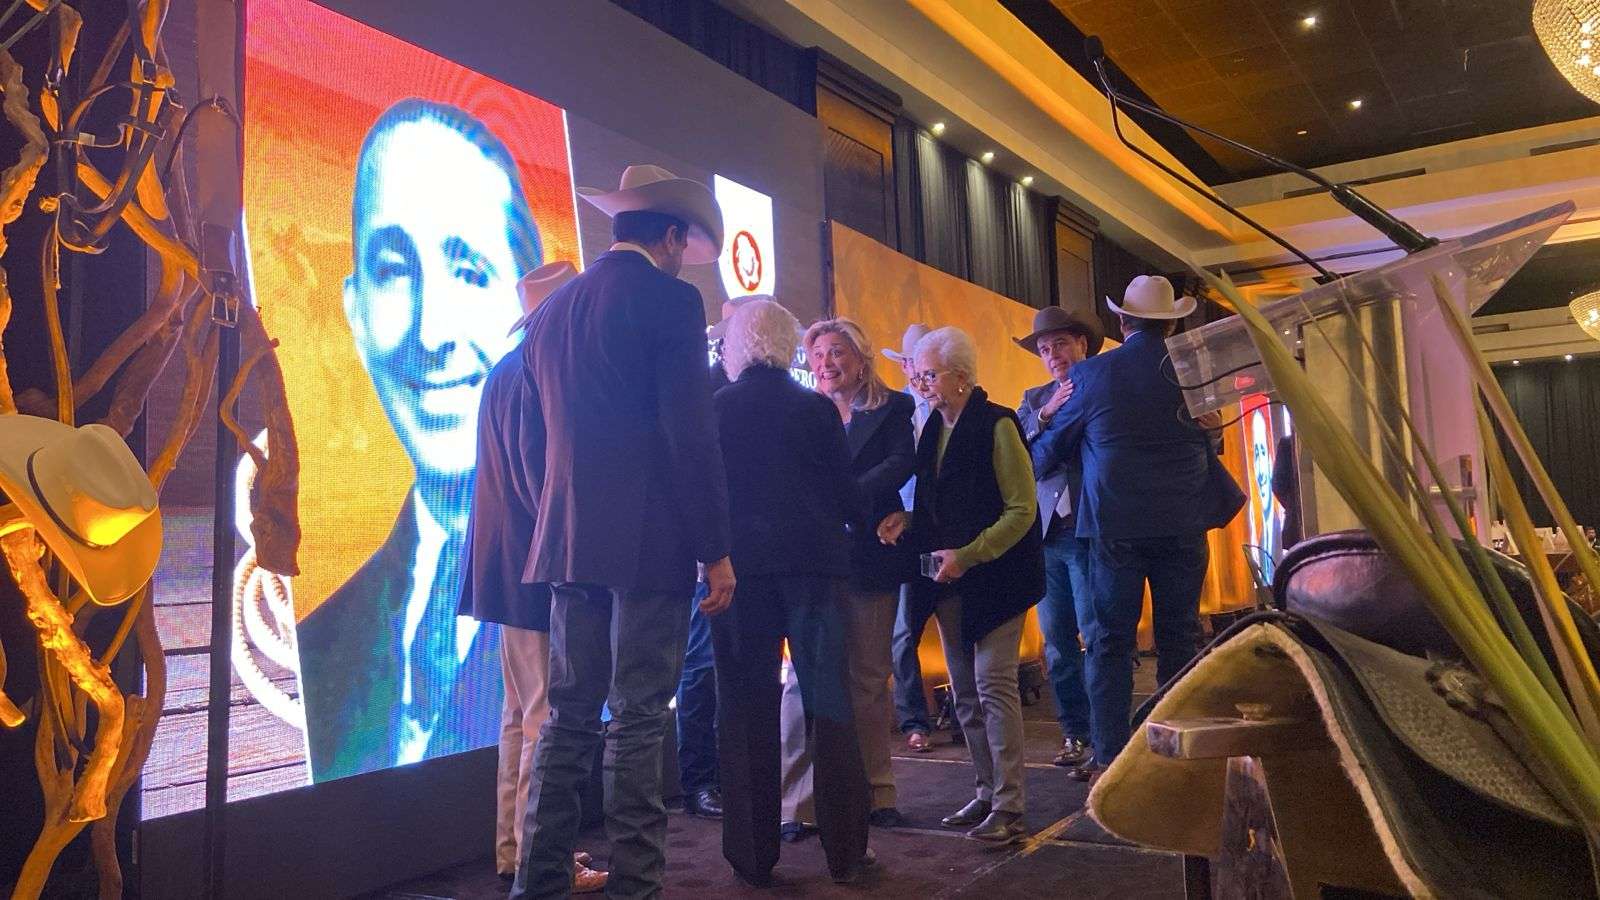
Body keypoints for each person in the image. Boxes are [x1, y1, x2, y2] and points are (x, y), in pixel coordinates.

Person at [297, 99, 545, 782]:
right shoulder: (315, 652)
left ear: (530, 310)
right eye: (393, 269)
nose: (430, 333)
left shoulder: (593, 591)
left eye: (468, 270)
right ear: (354, 314)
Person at [513, 165, 734, 899]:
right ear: (670, 236)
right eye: (684, 247)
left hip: (567, 540)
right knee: (639, 716)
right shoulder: (671, 300)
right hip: (648, 542)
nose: (683, 260)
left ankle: (537, 883)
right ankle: (635, 886)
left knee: (568, 716)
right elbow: (690, 436)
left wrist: (556, 517)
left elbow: (537, 443)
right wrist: (715, 549)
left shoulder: (552, 310)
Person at [1031, 275, 1244, 782]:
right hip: (1183, 524)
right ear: (1171, 323)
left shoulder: (1093, 374)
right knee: (1180, 638)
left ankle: (1110, 760)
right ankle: (1174, 754)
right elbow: (1208, 440)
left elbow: (1046, 456)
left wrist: (1043, 424)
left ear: (1122, 321)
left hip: (1115, 527)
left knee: (1109, 643)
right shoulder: (1192, 372)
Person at [710, 299, 874, 886]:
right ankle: (846, 851)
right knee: (830, 705)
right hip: (814, 571)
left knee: (744, 709)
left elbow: (707, 494)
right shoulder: (815, 408)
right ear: (788, 345)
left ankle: (752, 857)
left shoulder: (717, 407)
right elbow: (846, 493)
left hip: (740, 575)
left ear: (736, 347)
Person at [457, 261, 606, 892]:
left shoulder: (508, 368)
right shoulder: (534, 372)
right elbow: (537, 481)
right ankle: (542, 858)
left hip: (509, 569)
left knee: (522, 714)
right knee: (545, 715)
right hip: (536, 570)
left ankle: (518, 848)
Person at [879, 327, 1043, 844]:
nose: (920, 384)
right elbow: (937, 504)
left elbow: (1022, 510)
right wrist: (908, 520)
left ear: (962, 378)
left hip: (998, 578)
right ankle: (986, 790)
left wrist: (968, 555)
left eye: (928, 375)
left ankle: (1010, 804)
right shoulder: (934, 426)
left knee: (994, 685)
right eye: (917, 375)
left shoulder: (998, 425)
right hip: (947, 578)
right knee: (966, 694)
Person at [779, 317, 916, 839]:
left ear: (860, 359)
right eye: (817, 355)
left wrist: (843, 498)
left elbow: (900, 463)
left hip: (870, 555)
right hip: (811, 560)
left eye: (836, 352)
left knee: (868, 680)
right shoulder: (799, 411)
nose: (825, 364)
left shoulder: (894, 408)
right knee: (800, 685)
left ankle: (877, 793)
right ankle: (797, 805)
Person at [672, 297, 759, 822]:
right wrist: (708, 552)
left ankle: (728, 777)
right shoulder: (705, 389)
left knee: (735, 669)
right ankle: (700, 781)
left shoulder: (752, 389)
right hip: (711, 553)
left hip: (749, 552)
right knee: (702, 668)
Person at [1013, 306, 1104, 769]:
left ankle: (1106, 736)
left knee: (1097, 636)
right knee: (1057, 644)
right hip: (1047, 535)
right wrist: (1046, 414)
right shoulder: (1033, 400)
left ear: (1082, 345)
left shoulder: (1101, 386)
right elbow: (1014, 454)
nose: (1053, 355)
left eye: (1061, 344)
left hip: (1090, 530)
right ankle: (1075, 734)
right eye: (1045, 349)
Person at [882, 323, 940, 753]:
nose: (918, 372)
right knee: (903, 633)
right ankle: (913, 720)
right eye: (912, 363)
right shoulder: (893, 412)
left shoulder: (953, 410)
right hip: (905, 534)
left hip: (947, 533)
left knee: (961, 629)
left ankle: (968, 710)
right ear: (904, 366)